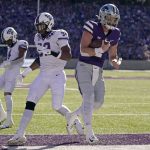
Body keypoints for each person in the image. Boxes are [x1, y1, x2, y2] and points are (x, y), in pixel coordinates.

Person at [7, 12, 83, 146]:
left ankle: (73, 118)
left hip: (57, 75)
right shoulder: (37, 38)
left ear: (49, 24)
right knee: (30, 102)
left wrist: (52, 52)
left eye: (41, 26)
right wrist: (25, 73)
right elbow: (40, 59)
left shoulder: (59, 34)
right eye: (38, 26)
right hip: (43, 75)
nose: (39, 29)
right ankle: (20, 135)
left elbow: (68, 55)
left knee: (57, 106)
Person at [67, 3, 121, 144]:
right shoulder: (91, 25)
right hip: (84, 66)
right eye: (109, 17)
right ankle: (89, 133)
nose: (112, 21)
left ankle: (73, 115)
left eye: (114, 18)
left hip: (99, 69)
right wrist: (100, 51)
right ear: (102, 16)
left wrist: (116, 62)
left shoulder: (116, 33)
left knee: (97, 102)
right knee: (88, 96)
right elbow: (83, 49)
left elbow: (113, 55)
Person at [0, 27, 28, 129]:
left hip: (14, 73)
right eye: (6, 41)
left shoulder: (22, 43)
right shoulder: (10, 46)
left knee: (7, 94)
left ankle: (9, 120)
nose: (7, 43)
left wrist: (10, 62)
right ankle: (2, 115)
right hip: (7, 72)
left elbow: (21, 57)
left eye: (9, 40)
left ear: (14, 36)